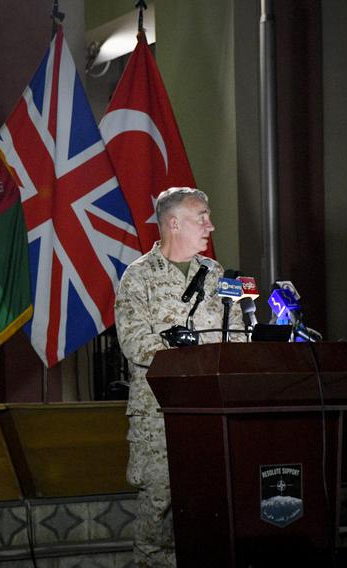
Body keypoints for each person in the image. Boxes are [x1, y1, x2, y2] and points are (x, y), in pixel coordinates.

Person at [114, 187, 246, 567]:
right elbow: (136, 343)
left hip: (212, 413)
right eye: (201, 217)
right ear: (174, 223)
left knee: (211, 505)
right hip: (159, 416)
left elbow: (236, 337)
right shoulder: (138, 277)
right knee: (160, 509)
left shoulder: (218, 274)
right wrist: (193, 355)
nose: (211, 225)